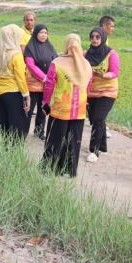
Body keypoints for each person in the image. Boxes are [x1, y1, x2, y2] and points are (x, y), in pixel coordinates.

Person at [41, 34, 91, 177]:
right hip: (79, 110)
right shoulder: (86, 64)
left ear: (66, 44)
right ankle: (69, 170)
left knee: (55, 139)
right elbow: (88, 86)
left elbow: (49, 85)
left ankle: (49, 169)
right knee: (74, 141)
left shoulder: (57, 62)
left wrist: (45, 103)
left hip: (60, 109)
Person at [85, 27, 120, 163]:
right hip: (91, 92)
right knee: (94, 119)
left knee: (99, 118)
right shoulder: (86, 54)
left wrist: (103, 75)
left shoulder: (111, 54)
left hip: (107, 91)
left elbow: (115, 72)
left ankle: (95, 150)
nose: (94, 39)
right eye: (92, 37)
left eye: (97, 37)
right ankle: (103, 146)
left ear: (103, 38)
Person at [0, 24, 30, 139]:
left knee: (1, 124)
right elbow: (20, 77)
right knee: (16, 125)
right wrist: (26, 95)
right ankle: (13, 152)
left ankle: (0, 149)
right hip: (14, 92)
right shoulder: (16, 55)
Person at [24, 24, 57, 140]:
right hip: (33, 85)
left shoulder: (50, 47)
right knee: (29, 109)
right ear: (36, 33)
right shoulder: (30, 47)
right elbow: (30, 65)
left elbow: (56, 62)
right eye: (41, 33)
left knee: (43, 109)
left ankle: (39, 131)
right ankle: (23, 131)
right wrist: (44, 78)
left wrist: (52, 79)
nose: (43, 35)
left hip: (46, 86)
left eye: (45, 33)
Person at [98, 15, 116, 139]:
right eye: (111, 26)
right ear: (104, 26)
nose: (113, 29)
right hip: (98, 81)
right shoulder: (100, 39)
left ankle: (102, 126)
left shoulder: (105, 39)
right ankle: (101, 128)